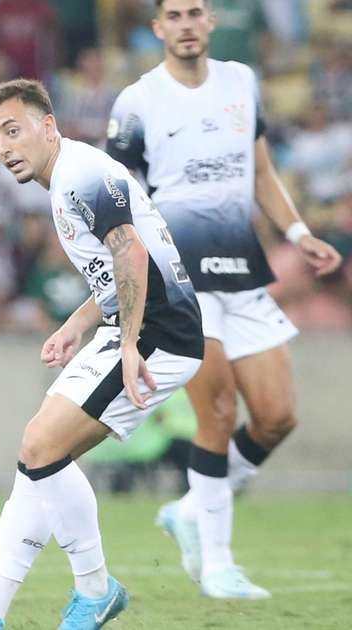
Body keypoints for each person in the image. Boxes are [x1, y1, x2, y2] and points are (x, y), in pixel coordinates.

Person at [0, 79, 204, 630]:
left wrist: (133, 343)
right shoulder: (65, 177)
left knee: (42, 447)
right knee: (37, 460)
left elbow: (132, 256)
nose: (4, 148)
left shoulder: (82, 175)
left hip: (158, 333)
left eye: (14, 131)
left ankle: (95, 590)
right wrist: (75, 325)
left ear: (49, 126)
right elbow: (115, 269)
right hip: (135, 327)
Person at [106, 0, 343, 599]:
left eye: (195, 12)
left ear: (211, 21)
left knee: (278, 416)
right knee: (216, 414)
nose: (186, 24)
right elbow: (118, 200)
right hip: (182, 279)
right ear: (157, 28)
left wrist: (298, 233)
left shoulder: (242, 81)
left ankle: (189, 508)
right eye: (174, 15)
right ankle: (216, 565)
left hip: (240, 269)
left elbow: (260, 171)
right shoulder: (137, 101)